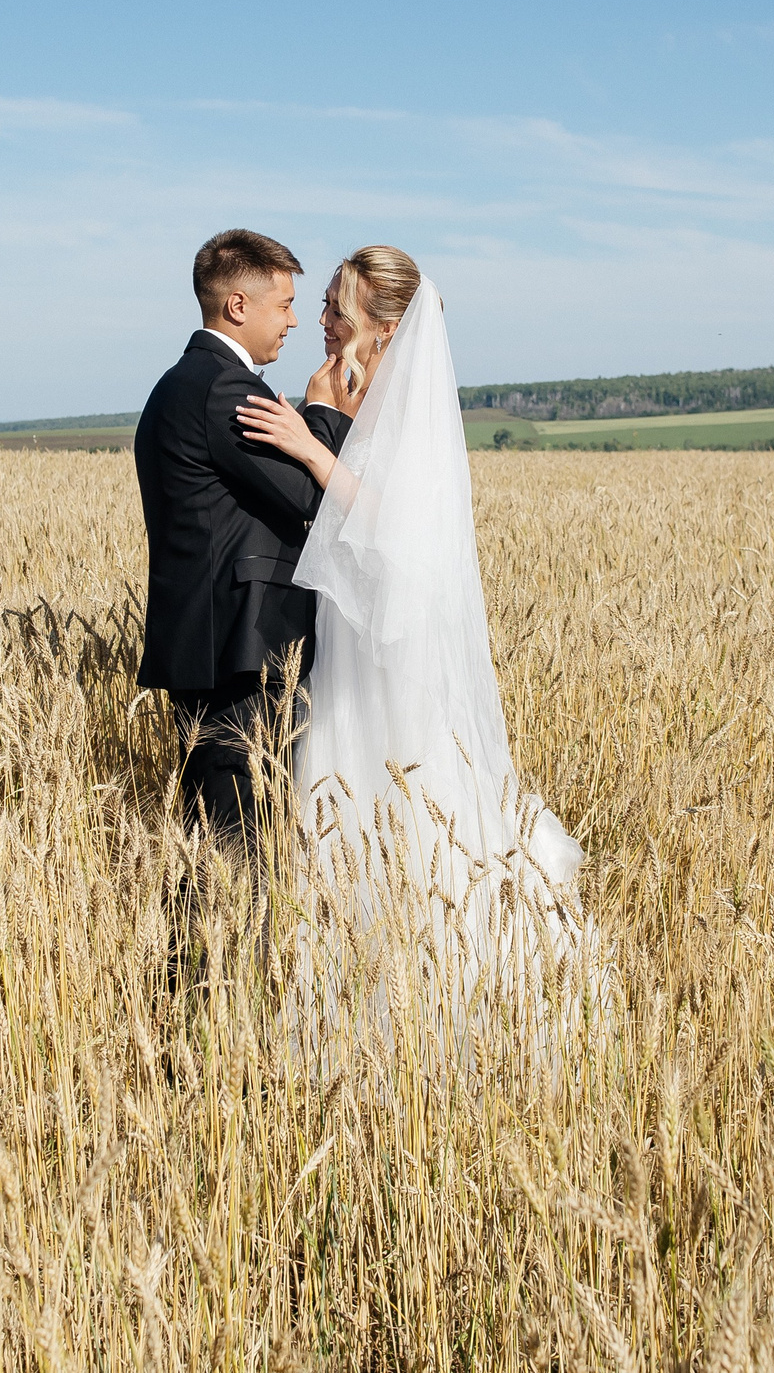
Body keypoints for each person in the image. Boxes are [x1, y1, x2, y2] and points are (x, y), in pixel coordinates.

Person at [234, 246, 587, 992]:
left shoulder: (413, 407)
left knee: (407, 811)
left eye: (337, 308)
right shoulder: (356, 389)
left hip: (393, 653)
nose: (322, 321)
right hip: (348, 646)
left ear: (385, 330)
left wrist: (308, 443)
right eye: (326, 304)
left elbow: (402, 535)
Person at [133, 230, 354, 854]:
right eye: (283, 305)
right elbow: (312, 496)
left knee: (226, 845)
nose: (294, 321)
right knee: (238, 851)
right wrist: (322, 415)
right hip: (239, 651)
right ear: (237, 305)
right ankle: (204, 957)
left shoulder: (188, 381)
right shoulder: (225, 389)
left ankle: (210, 953)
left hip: (218, 647)